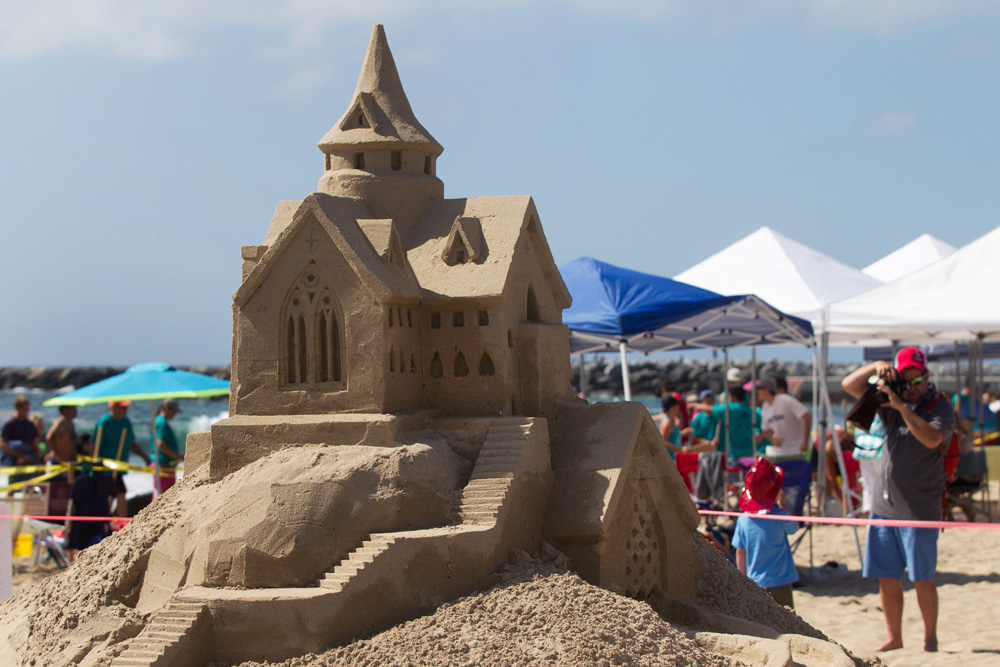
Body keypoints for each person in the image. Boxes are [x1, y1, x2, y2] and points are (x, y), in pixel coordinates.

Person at [842, 347, 955, 653]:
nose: (913, 385)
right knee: (887, 577)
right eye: (907, 380)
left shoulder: (939, 407)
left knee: (922, 578)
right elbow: (849, 386)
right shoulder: (888, 401)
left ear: (927, 376)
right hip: (883, 506)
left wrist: (902, 406)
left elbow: (932, 439)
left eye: (917, 379)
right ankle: (895, 637)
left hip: (920, 509)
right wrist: (876, 367)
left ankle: (930, 640)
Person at [732, 457, 798, 608]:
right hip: (780, 581)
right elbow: (794, 528)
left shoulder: (743, 519)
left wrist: (743, 580)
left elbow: (740, 552)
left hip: (754, 582)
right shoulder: (780, 515)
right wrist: (784, 505)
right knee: (786, 620)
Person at [92, 400, 151, 517]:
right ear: (114, 408)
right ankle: (115, 521)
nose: (126, 411)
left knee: (116, 494)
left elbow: (131, 443)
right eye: (123, 408)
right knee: (116, 494)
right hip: (106, 468)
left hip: (119, 467)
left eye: (126, 408)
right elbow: (95, 446)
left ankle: (117, 521)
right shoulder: (104, 422)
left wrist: (144, 456)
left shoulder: (126, 422)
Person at [688, 386, 756, 459]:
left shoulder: (727, 411)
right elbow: (696, 437)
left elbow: (710, 409)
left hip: (730, 454)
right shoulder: (750, 411)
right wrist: (709, 443)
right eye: (707, 402)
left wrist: (693, 405)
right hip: (748, 451)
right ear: (701, 402)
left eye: (712, 401)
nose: (710, 404)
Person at [754, 376, 812, 459]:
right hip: (781, 452)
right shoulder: (765, 406)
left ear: (767, 390)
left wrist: (805, 441)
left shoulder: (786, 400)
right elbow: (765, 429)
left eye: (759, 389)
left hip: (798, 450)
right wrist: (772, 439)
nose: (757, 392)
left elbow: (807, 416)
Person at [1, 395, 41, 485]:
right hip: (12, 461)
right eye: (26, 409)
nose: (28, 411)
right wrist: (18, 454)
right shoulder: (10, 424)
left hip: (28, 460)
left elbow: (34, 445)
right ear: (18, 408)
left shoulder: (29, 424)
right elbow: (3, 444)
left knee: (26, 486)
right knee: (11, 487)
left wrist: (37, 463)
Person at [154, 399, 185, 493]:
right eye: (174, 411)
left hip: (161, 463)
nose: (175, 414)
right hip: (164, 464)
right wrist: (177, 456)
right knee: (164, 494)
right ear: (167, 409)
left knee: (159, 493)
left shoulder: (157, 420)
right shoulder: (162, 423)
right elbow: (161, 445)